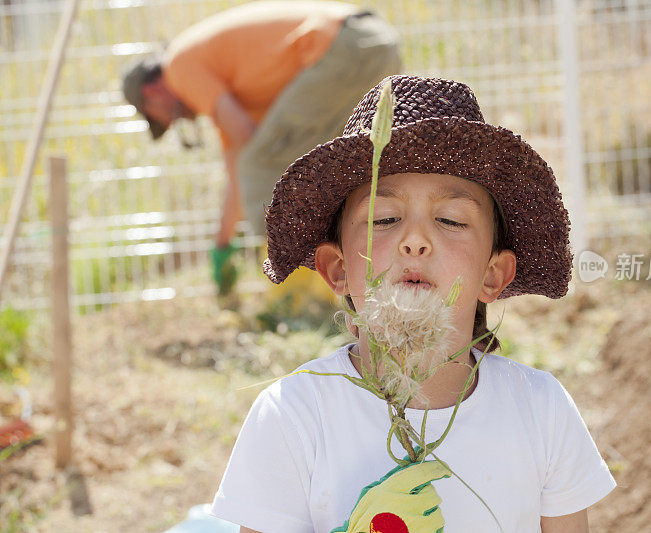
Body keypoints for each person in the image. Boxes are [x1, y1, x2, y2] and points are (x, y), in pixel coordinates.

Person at [210, 76, 616, 532]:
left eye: (450, 220)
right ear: (337, 269)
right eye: (384, 219)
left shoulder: (540, 410)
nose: (416, 240)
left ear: (493, 274)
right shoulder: (295, 415)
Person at [121, 1, 401, 294]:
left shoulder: (177, 66)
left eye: (159, 117)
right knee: (333, 167)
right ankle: (357, 277)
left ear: (151, 94)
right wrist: (222, 245)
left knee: (268, 167)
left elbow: (254, 159)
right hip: (369, 40)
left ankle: (295, 285)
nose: (172, 122)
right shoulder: (232, 86)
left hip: (342, 47)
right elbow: (240, 171)